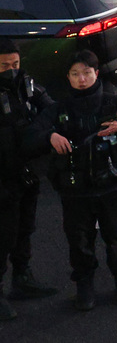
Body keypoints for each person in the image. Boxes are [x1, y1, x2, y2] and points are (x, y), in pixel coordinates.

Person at [32, 51, 117, 310]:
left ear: (96, 73)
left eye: (86, 72)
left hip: (111, 186)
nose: (81, 79)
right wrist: (49, 137)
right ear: (68, 77)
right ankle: (84, 284)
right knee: (78, 241)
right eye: (75, 74)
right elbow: (31, 137)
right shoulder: (59, 110)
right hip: (75, 191)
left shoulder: (113, 103)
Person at [0, 39, 58, 315]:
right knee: (3, 234)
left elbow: (51, 108)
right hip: (3, 175)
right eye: (4, 66)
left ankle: (22, 278)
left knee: (25, 228)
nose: (11, 70)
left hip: (26, 170)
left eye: (15, 64)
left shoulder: (27, 84)